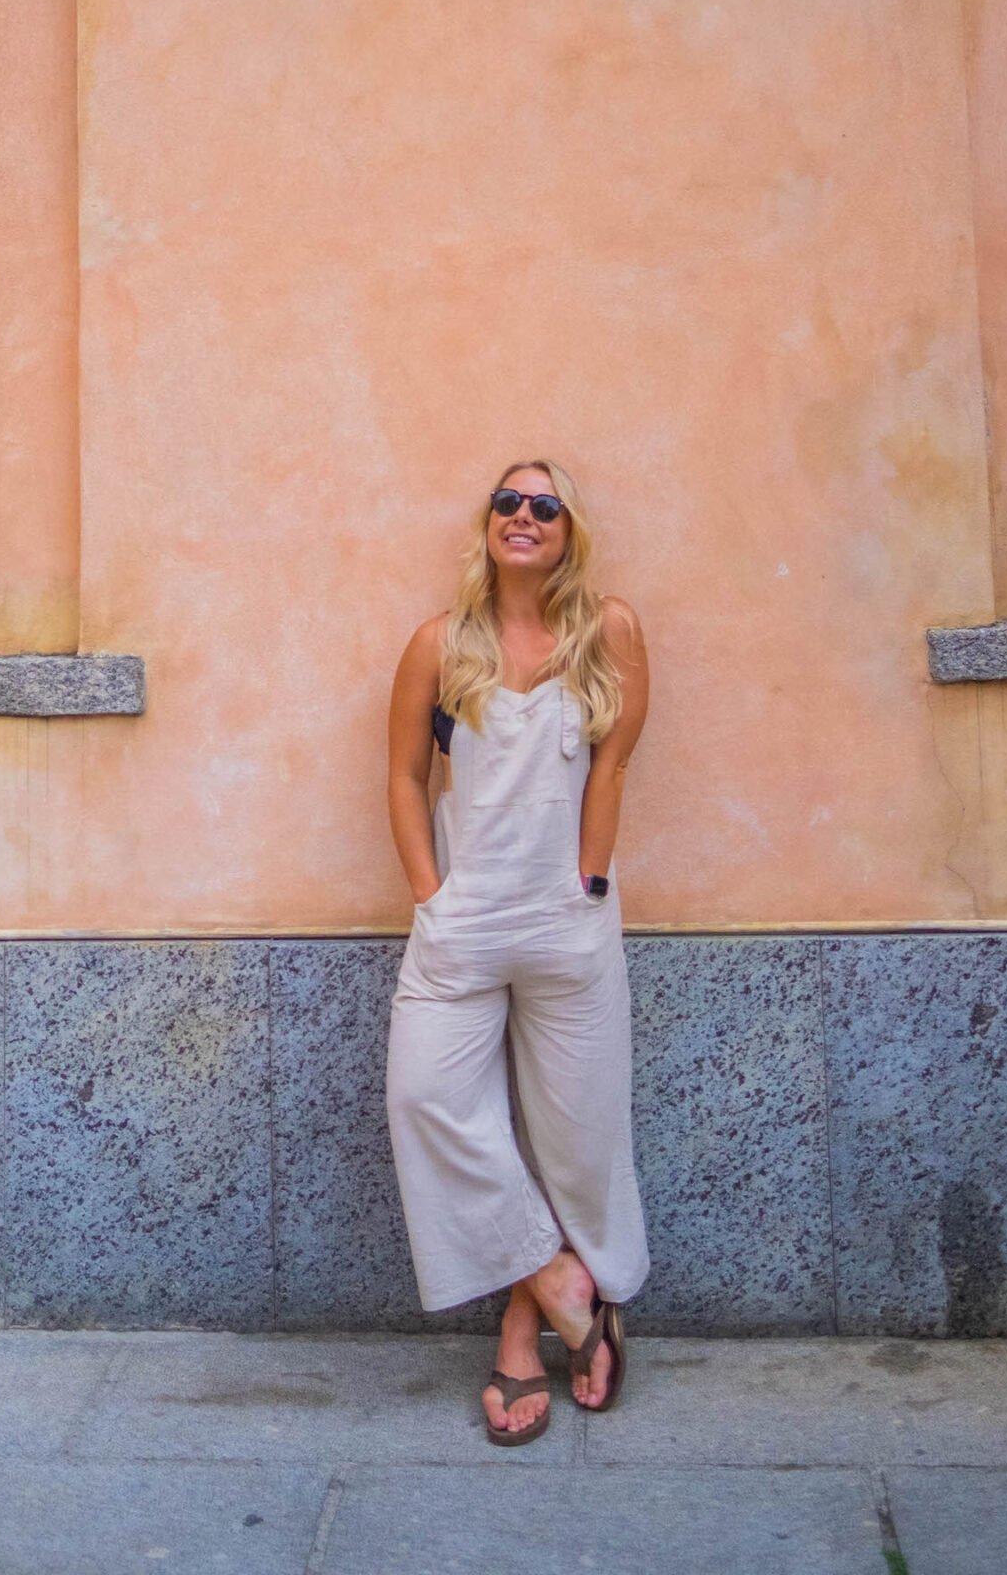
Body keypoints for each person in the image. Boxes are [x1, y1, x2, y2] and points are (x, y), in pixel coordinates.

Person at [385, 458, 651, 1446]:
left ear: (569, 527)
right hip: (463, 921)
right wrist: (431, 896)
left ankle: (520, 1333)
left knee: (574, 1137)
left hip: (567, 919)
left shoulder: (609, 630)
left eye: (546, 504)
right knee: (425, 1097)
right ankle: (561, 1283)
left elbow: (616, 760)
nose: (524, 515)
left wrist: (588, 879)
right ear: (486, 522)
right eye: (508, 500)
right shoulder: (439, 644)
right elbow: (406, 777)